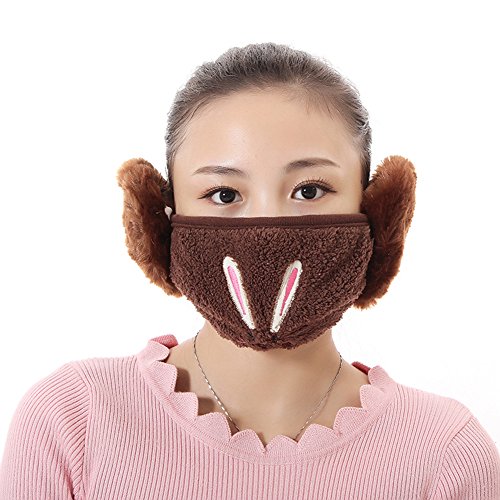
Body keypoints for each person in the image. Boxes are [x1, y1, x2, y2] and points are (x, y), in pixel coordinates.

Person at [1, 42, 498, 499]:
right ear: (158, 225)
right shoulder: (74, 418)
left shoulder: (447, 453)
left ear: (380, 216)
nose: (267, 231)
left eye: (309, 190)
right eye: (224, 194)